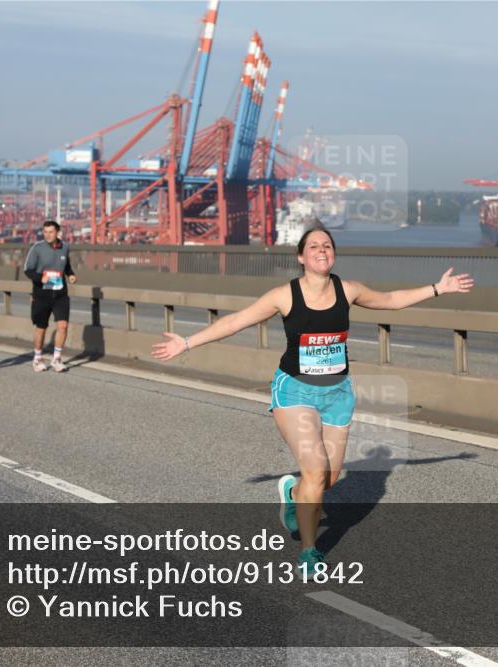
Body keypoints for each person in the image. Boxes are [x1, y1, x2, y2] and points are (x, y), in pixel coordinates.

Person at [151, 223, 474, 570]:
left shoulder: (347, 290)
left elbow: (392, 301)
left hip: (337, 393)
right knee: (317, 471)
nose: (322, 250)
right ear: (301, 256)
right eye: (315, 246)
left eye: (328, 246)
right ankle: (309, 551)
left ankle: (293, 493)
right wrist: (186, 342)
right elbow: (235, 322)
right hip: (295, 391)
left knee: (328, 479)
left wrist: (438, 289)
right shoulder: (284, 296)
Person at [24, 220, 76, 372]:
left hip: (60, 293)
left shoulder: (65, 247)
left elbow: (66, 265)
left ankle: (56, 359)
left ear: (58, 232)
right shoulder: (37, 248)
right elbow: (28, 270)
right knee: (41, 328)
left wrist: (71, 274)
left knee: (63, 325)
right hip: (42, 294)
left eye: (51, 232)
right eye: (45, 232)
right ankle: (37, 358)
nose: (47, 235)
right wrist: (40, 278)